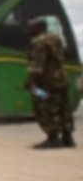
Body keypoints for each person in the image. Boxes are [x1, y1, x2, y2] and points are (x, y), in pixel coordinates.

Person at [22, 17, 75, 149]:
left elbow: (37, 66)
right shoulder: (54, 38)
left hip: (46, 83)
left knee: (45, 107)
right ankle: (67, 137)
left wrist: (30, 82)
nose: (27, 29)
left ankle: (53, 137)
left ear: (39, 27)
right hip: (61, 79)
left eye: (30, 26)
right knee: (63, 108)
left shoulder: (39, 42)